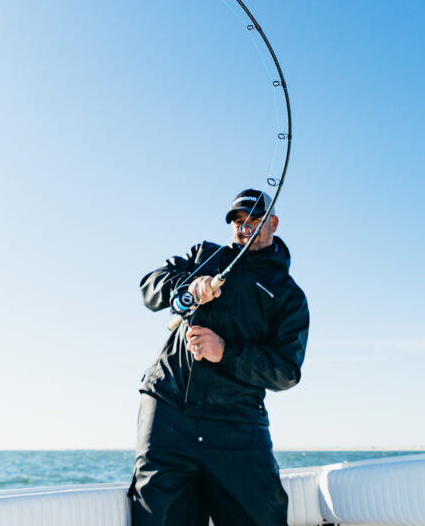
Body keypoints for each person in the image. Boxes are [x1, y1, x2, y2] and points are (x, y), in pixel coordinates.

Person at [129, 188, 309, 526]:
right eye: (237, 221)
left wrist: (225, 352)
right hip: (168, 412)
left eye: (253, 219)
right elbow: (149, 287)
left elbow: (286, 370)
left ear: (273, 222)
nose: (244, 227)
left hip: (237, 423)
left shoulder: (288, 294)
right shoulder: (205, 255)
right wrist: (190, 284)